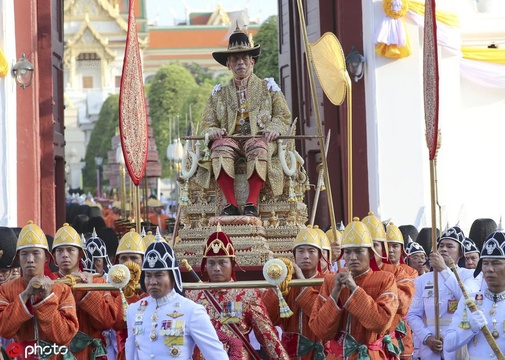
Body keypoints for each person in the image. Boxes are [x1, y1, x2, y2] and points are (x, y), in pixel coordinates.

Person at [198, 25, 291, 217]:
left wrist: (274, 128)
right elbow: (207, 122)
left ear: (252, 62)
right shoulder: (219, 93)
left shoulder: (269, 88)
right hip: (230, 139)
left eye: (244, 59)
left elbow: (283, 115)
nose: (240, 63)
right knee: (220, 148)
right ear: (229, 65)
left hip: (259, 138)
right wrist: (213, 131)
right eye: (235, 59)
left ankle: (251, 203)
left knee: (258, 146)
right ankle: (230, 204)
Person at [186, 227, 288, 359]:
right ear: (205, 265)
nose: (216, 268)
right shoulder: (193, 295)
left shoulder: (246, 294)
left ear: (232, 263)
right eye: (211, 263)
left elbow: (267, 336)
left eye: (222, 262)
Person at [309, 217, 399, 359]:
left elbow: (381, 322)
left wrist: (354, 289)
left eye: (358, 251)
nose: (353, 257)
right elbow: (320, 330)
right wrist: (335, 293)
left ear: (370, 253)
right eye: (348, 252)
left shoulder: (386, 279)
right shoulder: (331, 281)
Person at [125, 238, 228, 359]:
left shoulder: (191, 311)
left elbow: (217, 356)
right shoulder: (134, 310)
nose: (152, 282)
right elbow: (131, 353)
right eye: (148, 275)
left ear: (172, 277)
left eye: (159, 275)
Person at [0, 221, 79, 355]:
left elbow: (65, 335)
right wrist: (25, 295)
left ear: (47, 257)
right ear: (18, 258)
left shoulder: (62, 289)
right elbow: (4, 329)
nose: (30, 259)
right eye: (24, 254)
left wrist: (47, 298)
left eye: (36, 253)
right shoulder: (6, 290)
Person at [406, 226, 481, 360]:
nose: (444, 249)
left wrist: (444, 270)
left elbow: (468, 299)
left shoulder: (469, 275)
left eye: (450, 246)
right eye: (441, 245)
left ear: (460, 253)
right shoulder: (422, 280)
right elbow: (412, 314)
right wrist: (426, 337)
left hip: (457, 347)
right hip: (429, 349)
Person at [51, 223, 122, 360]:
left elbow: (106, 322)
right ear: (53, 256)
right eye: (60, 251)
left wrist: (87, 289)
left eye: (70, 250)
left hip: (90, 353)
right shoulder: (50, 283)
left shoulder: (97, 282)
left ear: (80, 255)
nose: (65, 255)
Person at [262, 225, 325, 359]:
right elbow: (267, 317)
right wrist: (277, 284)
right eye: (300, 251)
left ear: (320, 255)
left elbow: (322, 318)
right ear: (294, 255)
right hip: (289, 354)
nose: (306, 256)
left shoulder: (327, 281)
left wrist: (302, 282)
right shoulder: (287, 281)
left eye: (311, 251)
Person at [444, 229, 505, 357]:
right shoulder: (470, 301)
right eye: (485, 263)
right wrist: (469, 329)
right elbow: (448, 344)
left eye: (496, 263)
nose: (489, 269)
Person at [363, 212, 415, 359]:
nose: (371, 251)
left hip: (390, 344)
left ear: (382, 247)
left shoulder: (398, 272)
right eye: (366, 246)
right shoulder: (346, 275)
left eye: (376, 245)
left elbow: (403, 304)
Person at [112, 228, 146, 360]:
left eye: (134, 258)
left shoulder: (153, 289)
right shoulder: (111, 289)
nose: (128, 263)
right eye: (124, 258)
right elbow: (116, 323)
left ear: (143, 261)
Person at [386, 222, 418, 359]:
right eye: (387, 246)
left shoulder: (411, 272)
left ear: (402, 249)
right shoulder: (377, 272)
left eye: (395, 246)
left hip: (404, 325)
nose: (391, 250)